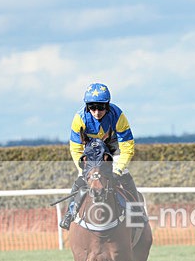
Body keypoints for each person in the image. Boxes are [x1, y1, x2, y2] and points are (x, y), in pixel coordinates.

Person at [59, 82, 142, 230]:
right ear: (87, 107)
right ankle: (69, 214)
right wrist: (82, 169)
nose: (97, 112)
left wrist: (118, 170)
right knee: (81, 180)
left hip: (113, 149)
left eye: (101, 107)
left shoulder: (118, 116)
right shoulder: (79, 118)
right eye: (92, 107)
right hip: (91, 152)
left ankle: (138, 213)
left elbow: (127, 148)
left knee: (126, 176)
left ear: (107, 105)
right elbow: (76, 148)